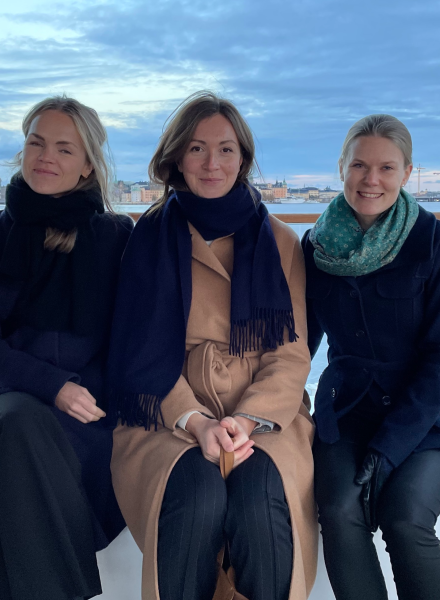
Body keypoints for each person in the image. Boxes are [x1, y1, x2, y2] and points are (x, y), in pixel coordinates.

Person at [107, 91, 317, 600]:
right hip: (167, 407)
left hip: (263, 414)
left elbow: (289, 355)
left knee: (260, 496)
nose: (212, 163)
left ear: (242, 157)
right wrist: (195, 420)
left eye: (226, 149)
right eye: (197, 148)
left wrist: (245, 421)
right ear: (177, 156)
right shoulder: (148, 238)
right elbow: (138, 352)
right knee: (195, 496)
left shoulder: (280, 241)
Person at [0, 96, 132, 600]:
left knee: (15, 476)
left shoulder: (116, 237)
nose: (46, 156)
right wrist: (54, 386)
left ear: (87, 165)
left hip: (93, 413)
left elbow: (132, 337)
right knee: (20, 423)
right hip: (6, 398)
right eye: (37, 142)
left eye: (65, 148)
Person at [303, 114, 440, 600]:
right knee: (340, 513)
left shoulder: (439, 244)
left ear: (407, 173)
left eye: (386, 167)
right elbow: (301, 342)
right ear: (341, 167)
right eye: (360, 165)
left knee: (404, 518)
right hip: (348, 411)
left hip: (429, 415)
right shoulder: (317, 248)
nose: (371, 179)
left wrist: (389, 447)